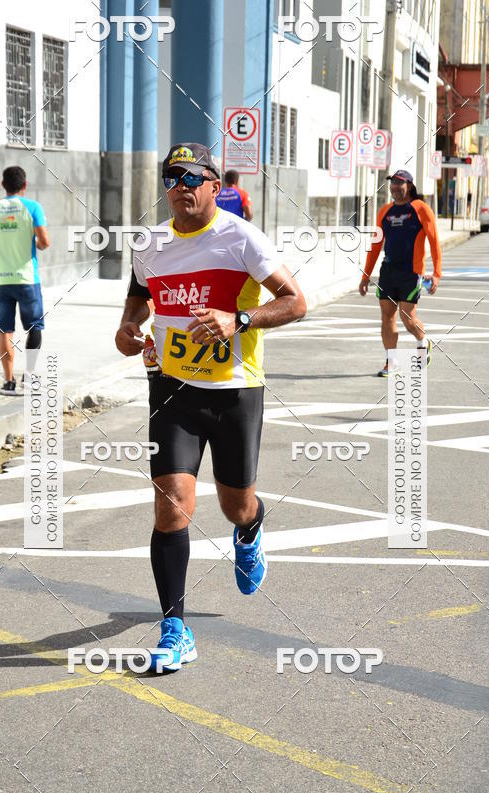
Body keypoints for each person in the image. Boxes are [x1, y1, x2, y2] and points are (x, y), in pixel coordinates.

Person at [115, 142, 306, 673]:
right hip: (172, 390)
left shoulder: (241, 238)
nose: (179, 186)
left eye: (190, 177)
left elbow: (296, 302)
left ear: (214, 186)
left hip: (235, 391)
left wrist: (238, 320)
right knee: (171, 505)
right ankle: (174, 629)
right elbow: (138, 299)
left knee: (235, 504)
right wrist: (128, 328)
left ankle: (250, 530)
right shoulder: (149, 243)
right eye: (171, 177)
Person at [358, 169, 441, 376]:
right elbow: (375, 246)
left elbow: (434, 243)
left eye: (399, 183)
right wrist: (366, 276)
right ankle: (391, 362)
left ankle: (423, 342)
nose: (394, 187)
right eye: (392, 183)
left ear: (409, 186)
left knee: (407, 318)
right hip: (388, 271)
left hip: (411, 273)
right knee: (387, 317)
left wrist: (437, 273)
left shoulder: (421, 209)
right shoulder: (385, 211)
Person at [0, 166, 50, 395]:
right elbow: (45, 241)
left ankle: (8, 381)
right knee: (35, 326)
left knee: (4, 331)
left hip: (0, 280)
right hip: (27, 278)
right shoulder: (32, 207)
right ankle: (29, 377)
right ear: (25, 185)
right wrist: (36, 243)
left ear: (3, 185)